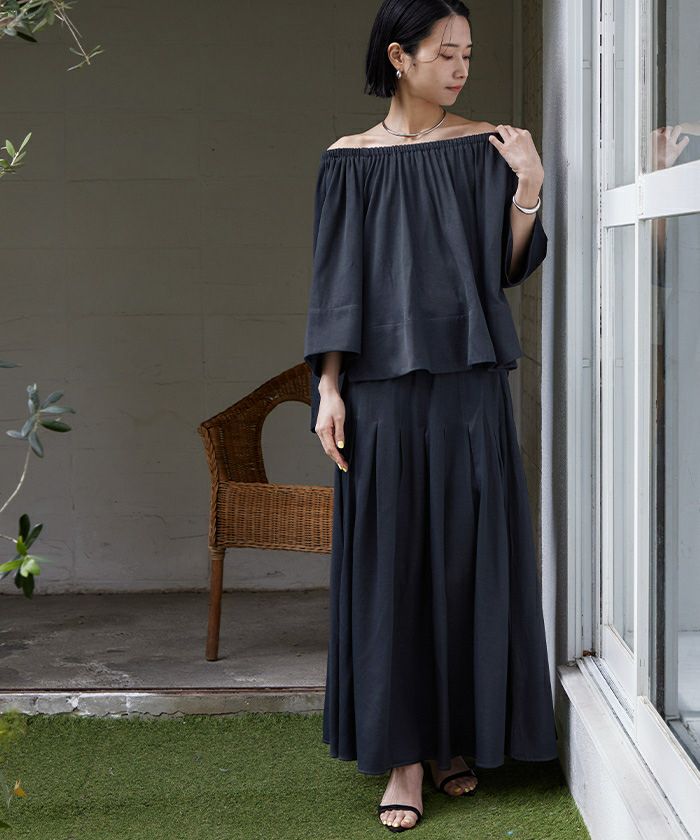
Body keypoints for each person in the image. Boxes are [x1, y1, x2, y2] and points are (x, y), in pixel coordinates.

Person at [303, 0, 558, 832]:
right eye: (446, 52)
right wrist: (328, 390)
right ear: (398, 56)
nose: (460, 68)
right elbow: (335, 283)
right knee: (391, 571)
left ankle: (454, 740)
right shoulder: (347, 162)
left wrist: (528, 188)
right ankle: (404, 759)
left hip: (468, 387)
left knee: (464, 562)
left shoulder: (486, 148)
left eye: (468, 54)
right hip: (377, 392)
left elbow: (505, 268)